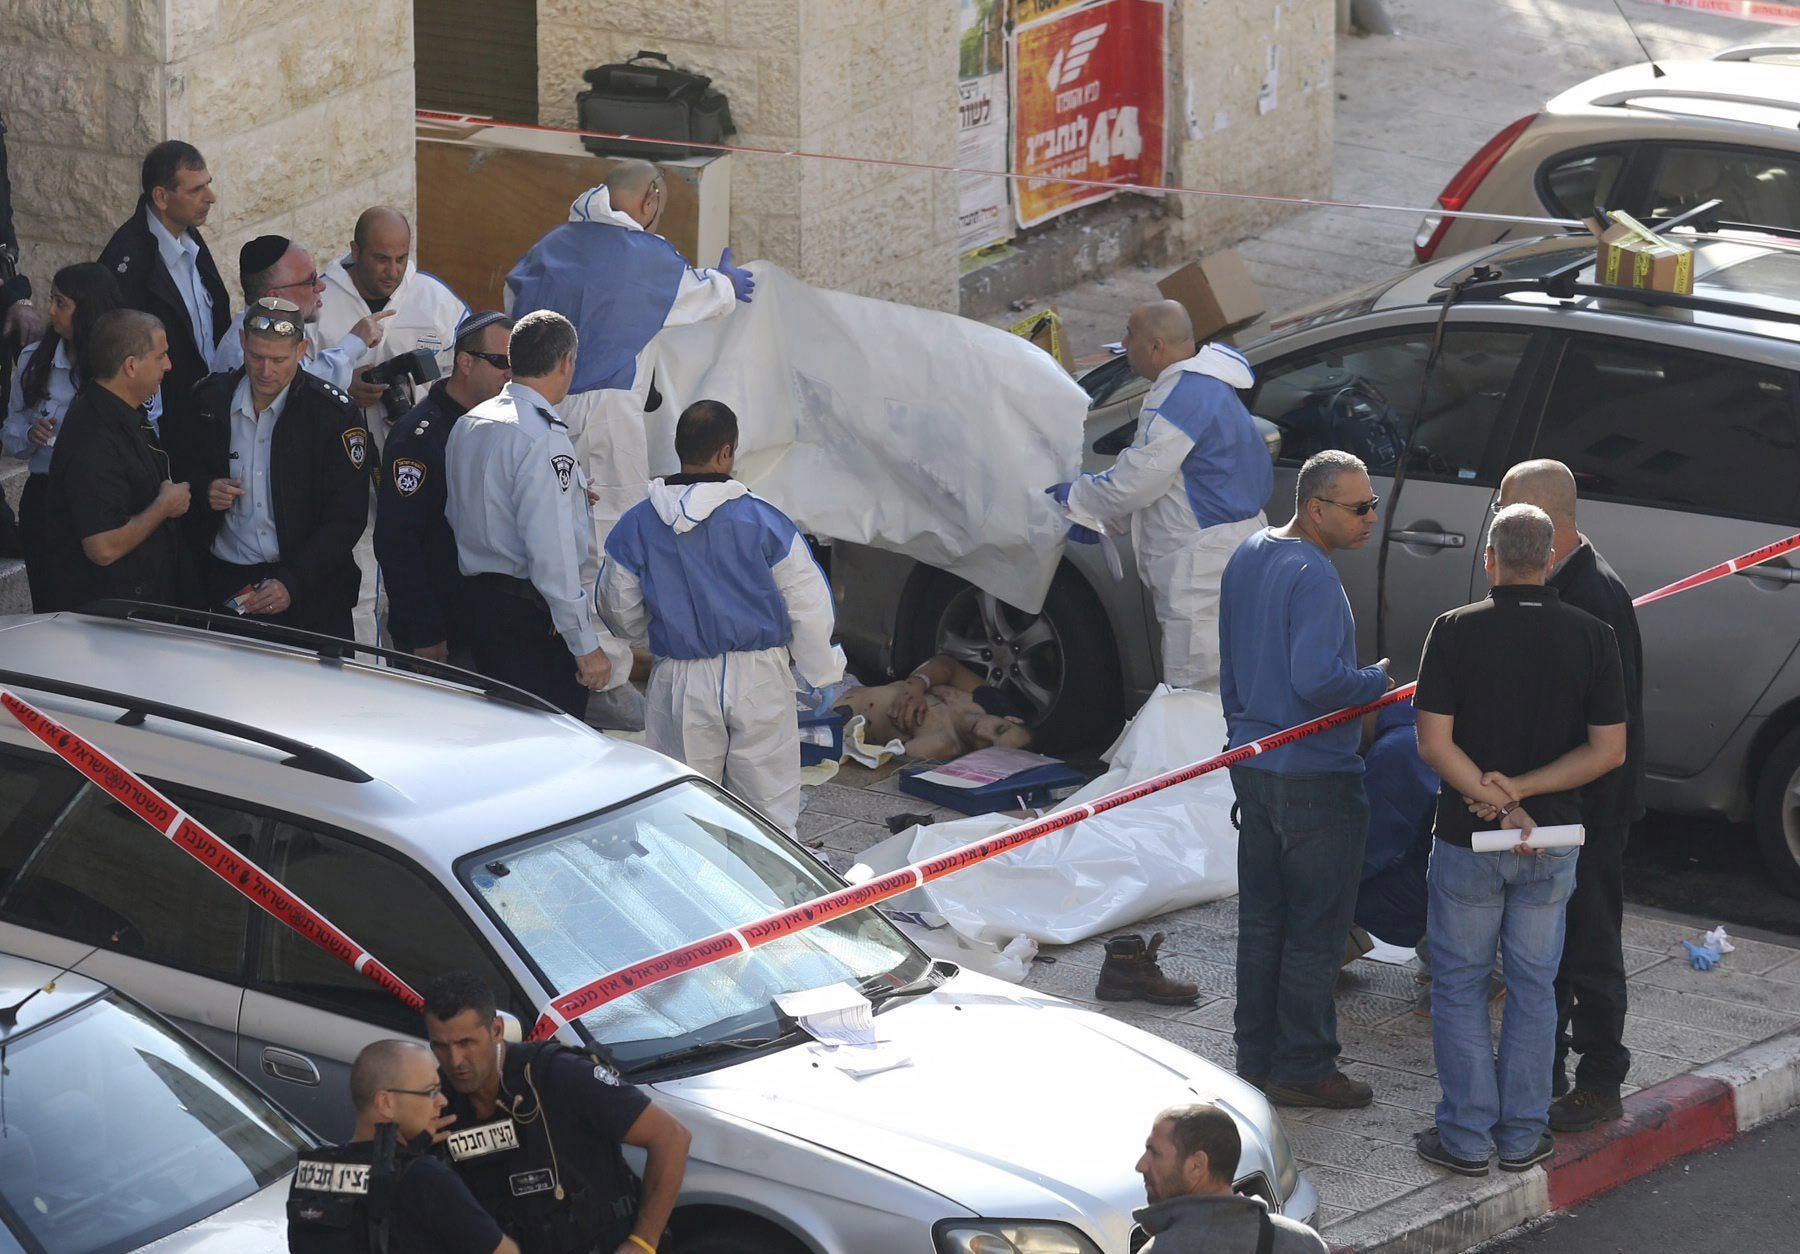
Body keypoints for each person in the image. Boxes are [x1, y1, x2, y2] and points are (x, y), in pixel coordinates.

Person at [1411, 503, 1627, 1179]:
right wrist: (1525, 793)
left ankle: (1467, 1137)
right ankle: (1523, 1133)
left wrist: (1494, 795)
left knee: (1461, 986)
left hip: (1467, 842)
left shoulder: (1452, 631)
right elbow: (1609, 751)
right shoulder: (1594, 636)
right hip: (1555, 841)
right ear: (1550, 558)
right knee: (1536, 988)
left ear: (1491, 559)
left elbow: (1432, 743)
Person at [1218, 450, 1390, 1108]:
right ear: (1316, 509)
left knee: (1263, 925)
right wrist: (1375, 680)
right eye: (1360, 506)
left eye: (1372, 502)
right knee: (1315, 932)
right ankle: (1306, 1065)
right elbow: (1319, 682)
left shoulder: (1250, 553)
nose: (1373, 516)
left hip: (1255, 768)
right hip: (1316, 778)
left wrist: (1240, 744)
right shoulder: (1312, 576)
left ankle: (1254, 1058)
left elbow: (1231, 669)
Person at [597, 399, 844, 833]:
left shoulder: (637, 523)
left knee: (684, 810)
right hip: (760, 678)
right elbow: (807, 602)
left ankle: (697, 897)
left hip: (680, 679)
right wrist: (820, 672)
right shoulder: (764, 520)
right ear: (726, 452)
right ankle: (771, 896)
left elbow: (617, 607)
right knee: (769, 809)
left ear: (679, 449)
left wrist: (645, 628)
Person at [1494, 459, 1645, 1134]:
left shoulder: (1592, 599)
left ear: (1544, 522)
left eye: (1504, 506)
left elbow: (1597, 727)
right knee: (1542, 946)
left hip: (1590, 809)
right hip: (1556, 804)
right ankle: (1544, 1068)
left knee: (1588, 941)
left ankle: (1600, 1075)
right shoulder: (1562, 584)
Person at [507, 160, 754, 554]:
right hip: (606, 415)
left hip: (532, 408)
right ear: (649, 198)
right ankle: (595, 618)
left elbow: (512, 309)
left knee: (541, 531)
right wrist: (725, 282)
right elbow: (697, 295)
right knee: (610, 539)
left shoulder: (547, 247)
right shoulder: (645, 253)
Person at [1048, 300, 1273, 693]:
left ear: (1155, 346)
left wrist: (1080, 499)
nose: (1122, 342)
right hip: (1239, 551)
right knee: (1241, 679)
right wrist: (1106, 519)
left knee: (1196, 688)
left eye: (1129, 334)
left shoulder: (1179, 397)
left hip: (1203, 568)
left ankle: (1207, 756)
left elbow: (1142, 477)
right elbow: (1180, 481)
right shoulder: (1212, 383)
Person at [422, 972, 690, 1254]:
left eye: (466, 1043)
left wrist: (643, 1242)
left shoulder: (559, 1074)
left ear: (497, 1030)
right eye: (440, 1046)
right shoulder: (435, 1100)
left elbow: (671, 1137)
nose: (455, 1061)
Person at [444, 310, 630, 713]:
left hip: (476, 606)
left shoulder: (470, 422)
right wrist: (584, 646)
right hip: (528, 620)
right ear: (566, 362)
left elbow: (465, 512)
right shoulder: (542, 436)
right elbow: (553, 554)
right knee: (549, 754)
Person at [167, 296, 369, 637]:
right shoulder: (209, 403)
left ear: (302, 349)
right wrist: (204, 490)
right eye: (256, 356)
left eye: (279, 359)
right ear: (243, 343)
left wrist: (293, 581)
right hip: (229, 586)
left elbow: (346, 517)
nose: (265, 371)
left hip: (311, 595)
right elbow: (178, 472)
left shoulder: (331, 415)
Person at [287, 1038, 518, 1254]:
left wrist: (412, 1150)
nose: (442, 1101)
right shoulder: (428, 1180)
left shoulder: (309, 1174)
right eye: (431, 1092)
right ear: (386, 1103)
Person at [375, 311, 512, 663]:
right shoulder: (419, 437)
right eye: (500, 362)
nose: (510, 374)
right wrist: (425, 630)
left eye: (517, 363)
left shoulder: (500, 424)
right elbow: (398, 542)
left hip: (487, 624)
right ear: (465, 362)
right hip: (441, 632)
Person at [39, 309, 187, 610]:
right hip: (106, 620)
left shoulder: (123, 413)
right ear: (131, 366)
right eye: (161, 356)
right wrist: (164, 507)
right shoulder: (94, 437)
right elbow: (102, 546)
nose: (169, 365)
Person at [4, 263, 130, 608]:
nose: (51, 311)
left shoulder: (122, 364)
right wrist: (31, 434)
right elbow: (12, 431)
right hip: (47, 499)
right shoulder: (35, 359)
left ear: (88, 309)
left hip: (103, 498)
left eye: (62, 303)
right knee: (50, 603)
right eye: (52, 300)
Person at [98, 140, 229, 411]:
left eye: (207, 183)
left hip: (208, 407)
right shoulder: (128, 263)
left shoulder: (190, 236)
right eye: (196, 189)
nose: (210, 197)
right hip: (167, 419)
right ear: (161, 197)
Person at [318, 207, 467, 441]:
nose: (393, 271)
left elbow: (468, 375)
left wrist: (424, 413)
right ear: (355, 251)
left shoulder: (438, 301)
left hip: (421, 452)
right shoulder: (318, 302)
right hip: (336, 453)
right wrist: (341, 386)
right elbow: (288, 382)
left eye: (401, 259)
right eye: (381, 259)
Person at [1134, 1104, 1327, 1253]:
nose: (1141, 1165)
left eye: (1155, 1153)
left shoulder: (1161, 1250)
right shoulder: (1301, 1242)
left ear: (1196, 1165)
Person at [211, 234, 390, 390]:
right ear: (275, 298)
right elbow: (297, 395)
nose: (321, 286)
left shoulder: (283, 328)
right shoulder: (243, 353)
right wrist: (353, 343)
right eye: (310, 281)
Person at [831, 654, 1034, 759]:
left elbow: (892, 758)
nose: (982, 733)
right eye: (998, 729)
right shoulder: (987, 700)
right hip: (845, 683)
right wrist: (918, 685)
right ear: (1011, 719)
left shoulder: (944, 745)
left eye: (988, 747)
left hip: (831, 717)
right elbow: (947, 665)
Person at [1354, 703, 1438, 951]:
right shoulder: (1427, 728)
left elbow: (1367, 847)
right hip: (1460, 870)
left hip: (1431, 888)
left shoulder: (1392, 751)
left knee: (1330, 886)